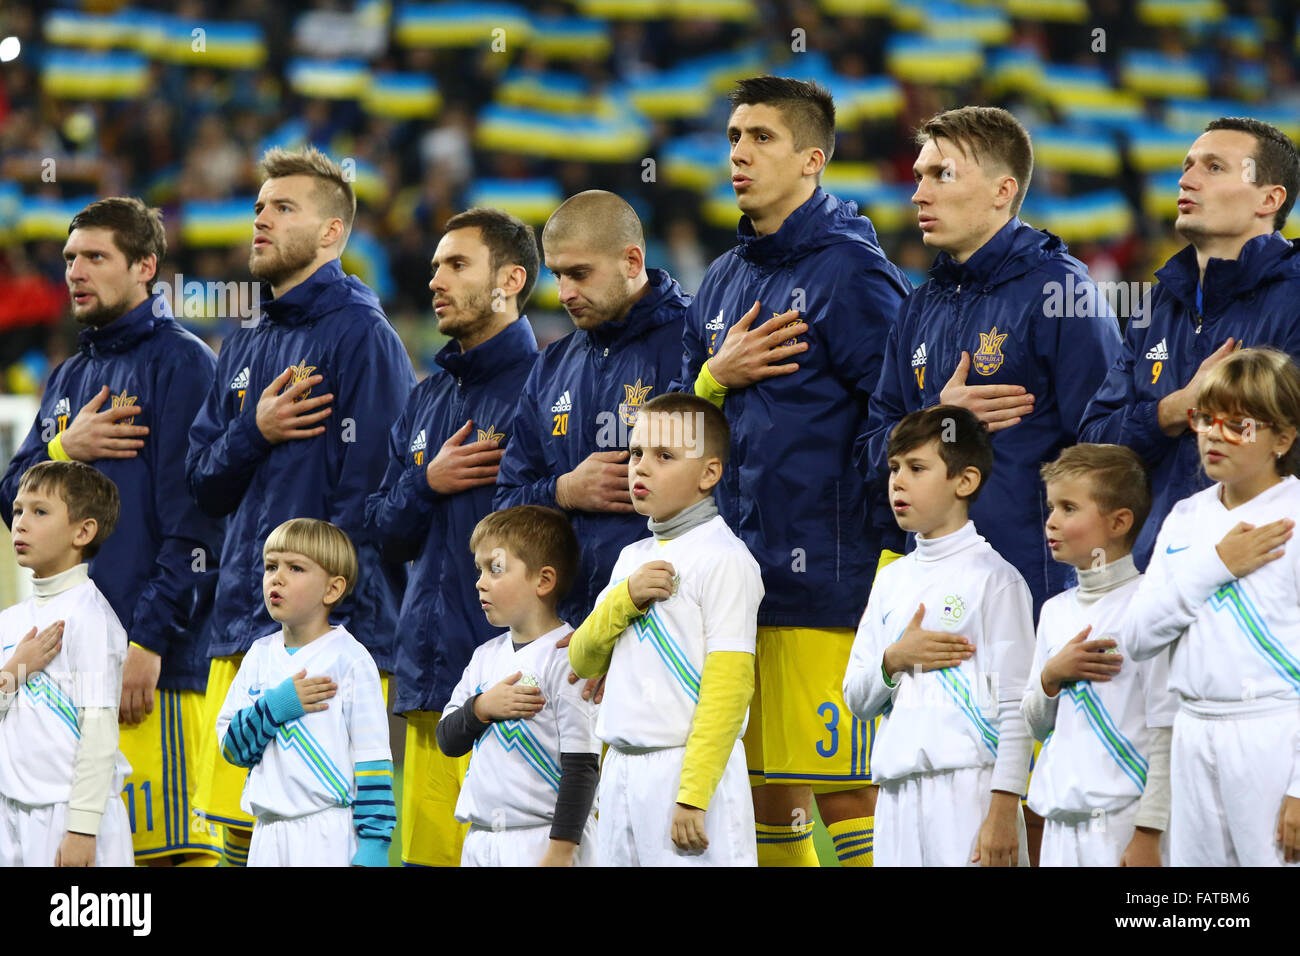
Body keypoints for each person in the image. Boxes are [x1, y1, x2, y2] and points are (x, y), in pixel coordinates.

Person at [678, 75, 910, 867]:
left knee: (843, 786)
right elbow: (684, 425)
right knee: (766, 789)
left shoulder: (853, 273)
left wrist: (881, 562)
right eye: (734, 136)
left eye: (762, 138)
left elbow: (895, 420)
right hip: (737, 581)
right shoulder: (721, 279)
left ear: (812, 159)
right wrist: (718, 374)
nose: (739, 152)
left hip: (830, 579)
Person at [187, 146, 415, 866]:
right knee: (235, 837)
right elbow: (202, 480)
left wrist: (319, 624)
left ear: (331, 234)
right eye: (259, 207)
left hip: (327, 640)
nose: (260, 219)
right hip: (242, 627)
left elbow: (369, 503)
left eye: (283, 208)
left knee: (326, 830)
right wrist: (253, 431)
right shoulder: (244, 337)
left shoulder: (364, 337)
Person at [0, 198, 224, 866]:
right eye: (70, 257)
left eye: (96, 256)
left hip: (147, 662)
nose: (76, 270)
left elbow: (198, 522)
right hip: (64, 668)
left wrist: (150, 640)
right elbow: (13, 494)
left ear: (145, 266)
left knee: (168, 853)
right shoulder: (70, 374)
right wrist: (65, 449)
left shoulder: (183, 365)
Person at [861, 106, 1121, 619]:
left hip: (1036, 591)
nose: (918, 193)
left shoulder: (1061, 292)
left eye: (942, 174)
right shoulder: (917, 306)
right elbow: (870, 452)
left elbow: (1106, 451)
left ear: (1003, 191)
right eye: (918, 176)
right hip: (928, 591)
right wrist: (937, 420)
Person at [365, 207, 541, 867]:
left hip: (519, 687)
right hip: (428, 683)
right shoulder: (426, 397)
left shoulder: (546, 386)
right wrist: (428, 483)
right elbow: (382, 530)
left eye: (456, 264)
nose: (435, 278)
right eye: (436, 264)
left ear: (509, 280)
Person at [1080, 117, 1300, 569]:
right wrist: (1172, 410)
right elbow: (1093, 446)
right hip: (1151, 575)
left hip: (1263, 575)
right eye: (1187, 166)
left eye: (1213, 167)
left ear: (1269, 198)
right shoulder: (1158, 302)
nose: (1186, 179)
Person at [1124, 348, 1300, 866]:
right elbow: (1137, 637)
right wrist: (1215, 565)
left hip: (1272, 732)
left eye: (1238, 424)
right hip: (1192, 731)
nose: (1214, 435)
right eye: (1206, 418)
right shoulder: (1183, 516)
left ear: (1283, 439)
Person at [569, 394, 761, 866]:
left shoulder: (726, 559)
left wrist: (693, 796)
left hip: (688, 777)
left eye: (665, 456)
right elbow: (583, 660)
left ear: (709, 474)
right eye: (636, 453)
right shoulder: (630, 560)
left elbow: (728, 689)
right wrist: (624, 599)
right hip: (619, 774)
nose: (642, 468)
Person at [843, 406, 1035, 866]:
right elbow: (855, 697)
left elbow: (1017, 709)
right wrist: (893, 660)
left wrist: (1004, 811)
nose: (898, 482)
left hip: (969, 791)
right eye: (893, 469)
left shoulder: (997, 580)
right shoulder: (890, 579)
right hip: (896, 796)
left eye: (916, 468)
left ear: (964, 482)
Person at [496, 190, 691, 629]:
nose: (564, 293)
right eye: (557, 275)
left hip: (662, 630)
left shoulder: (692, 344)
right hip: (566, 640)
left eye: (580, 274)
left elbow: (721, 494)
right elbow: (505, 502)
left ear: (632, 261)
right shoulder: (550, 365)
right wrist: (563, 490)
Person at [1021, 444, 1176, 866]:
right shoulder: (1054, 610)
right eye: (1051, 506)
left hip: (1124, 826)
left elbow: (1167, 732)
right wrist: (1051, 677)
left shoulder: (1151, 606)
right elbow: (1035, 725)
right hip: (1058, 825)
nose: (1051, 521)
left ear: (1119, 521)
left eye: (1069, 508)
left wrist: (1149, 832)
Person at [216, 519, 394, 867]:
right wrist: (277, 706)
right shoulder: (257, 656)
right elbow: (232, 748)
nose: (276, 578)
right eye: (271, 566)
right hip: (266, 836)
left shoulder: (351, 660)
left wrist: (375, 843)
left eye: (295, 568)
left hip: (328, 836)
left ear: (332, 589)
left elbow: (372, 759)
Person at [436, 506, 600, 867]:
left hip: (544, 842)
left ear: (543, 581)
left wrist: (560, 850)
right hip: (480, 840)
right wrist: (481, 708)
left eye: (494, 569)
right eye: (478, 569)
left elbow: (582, 766)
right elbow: (447, 740)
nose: (480, 581)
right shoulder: (483, 657)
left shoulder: (570, 656)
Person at [0, 461, 131, 866]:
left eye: (39, 511)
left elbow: (98, 729)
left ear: (83, 531)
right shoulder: (10, 621)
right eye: (18, 510)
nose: (20, 523)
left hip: (68, 820)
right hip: (10, 813)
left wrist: (82, 829)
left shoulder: (89, 617)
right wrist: (15, 670)